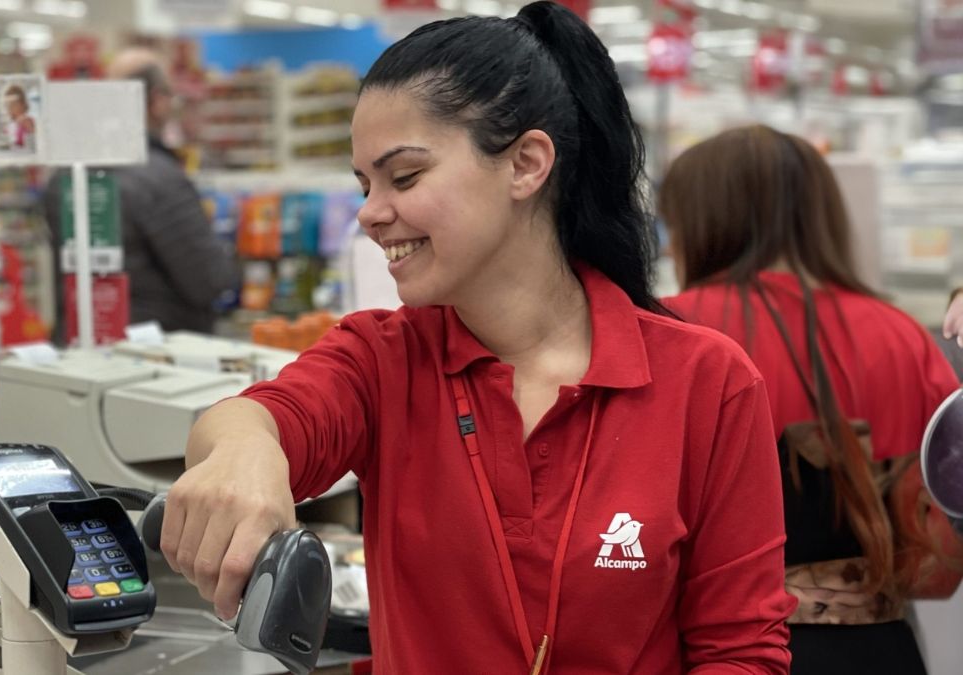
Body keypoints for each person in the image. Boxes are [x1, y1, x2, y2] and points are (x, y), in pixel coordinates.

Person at [159, 4, 793, 673]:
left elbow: (741, 649)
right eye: (364, 184)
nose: (372, 213)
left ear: (525, 164)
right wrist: (241, 448)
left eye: (403, 176)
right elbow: (264, 418)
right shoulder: (382, 359)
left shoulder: (706, 382)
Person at [661, 125, 963, 675]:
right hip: (876, 650)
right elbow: (939, 564)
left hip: (710, 652)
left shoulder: (666, 333)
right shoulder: (904, 338)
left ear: (697, 221)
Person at [45, 48, 239, 336]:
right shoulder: (161, 178)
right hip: (158, 348)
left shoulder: (65, 174)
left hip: (81, 337)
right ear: (158, 101)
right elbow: (209, 280)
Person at [1, 85, 36, 149]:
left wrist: (29, 128)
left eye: (13, 104)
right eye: (8, 105)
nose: (10, 108)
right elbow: (6, 141)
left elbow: (36, 140)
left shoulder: (28, 121)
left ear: (22, 104)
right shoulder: (10, 126)